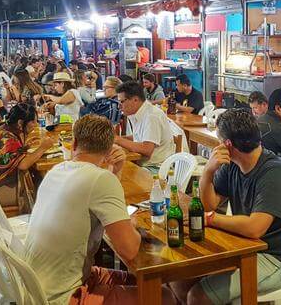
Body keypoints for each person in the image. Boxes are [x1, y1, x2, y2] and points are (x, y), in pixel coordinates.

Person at [24, 115, 175, 305]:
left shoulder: (57, 170)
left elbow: (98, 199)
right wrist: (131, 227)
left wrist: (115, 171)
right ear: (110, 146)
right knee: (165, 297)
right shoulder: (100, 179)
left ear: (74, 142)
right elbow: (129, 250)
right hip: (60, 296)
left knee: (145, 281)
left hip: (37, 285)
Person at [170, 108, 281, 305]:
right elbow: (210, 204)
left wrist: (210, 219)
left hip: (276, 258)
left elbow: (254, 228)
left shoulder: (275, 171)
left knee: (198, 297)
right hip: (243, 247)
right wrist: (208, 171)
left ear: (227, 144)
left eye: (218, 140)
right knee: (178, 280)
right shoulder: (232, 164)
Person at [0, 104, 56, 209]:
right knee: (42, 191)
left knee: (37, 179)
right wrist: (42, 147)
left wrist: (26, 146)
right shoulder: (8, 138)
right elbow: (23, 165)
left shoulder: (5, 129)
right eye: (33, 122)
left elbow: (12, 155)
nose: (36, 125)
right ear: (20, 123)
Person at [114, 81, 175, 166]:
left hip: (156, 167)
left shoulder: (152, 116)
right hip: (144, 163)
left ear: (135, 100)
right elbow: (140, 137)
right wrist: (117, 139)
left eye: (122, 102)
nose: (119, 106)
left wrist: (117, 139)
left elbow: (147, 149)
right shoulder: (139, 112)